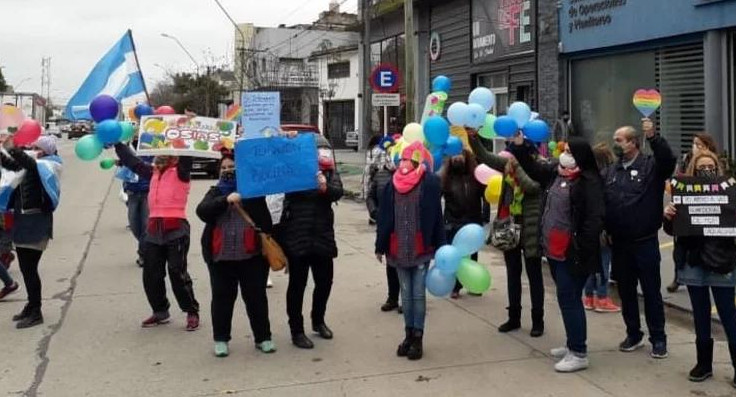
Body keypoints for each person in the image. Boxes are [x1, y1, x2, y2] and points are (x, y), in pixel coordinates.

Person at [510, 136, 604, 373]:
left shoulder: (589, 182)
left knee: (570, 298)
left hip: (573, 253)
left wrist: (580, 248)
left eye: (571, 151)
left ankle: (579, 352)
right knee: (565, 299)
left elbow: (593, 222)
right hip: (553, 249)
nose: (565, 154)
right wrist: (521, 146)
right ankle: (572, 342)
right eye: (565, 149)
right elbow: (531, 167)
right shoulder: (556, 173)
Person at [663, 150, 736, 387]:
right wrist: (669, 216)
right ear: (694, 169)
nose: (707, 170)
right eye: (702, 166)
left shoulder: (729, 193)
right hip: (693, 263)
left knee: (729, 317)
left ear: (718, 169)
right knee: (700, 316)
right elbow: (673, 231)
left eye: (711, 166)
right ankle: (703, 363)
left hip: (722, 261)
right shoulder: (683, 193)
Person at [604, 118, 676, 358]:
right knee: (626, 291)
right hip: (620, 243)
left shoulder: (650, 166)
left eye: (619, 140)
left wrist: (654, 137)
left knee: (651, 292)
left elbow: (668, 160)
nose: (616, 144)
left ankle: (659, 338)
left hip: (644, 242)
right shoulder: (613, 170)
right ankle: (633, 333)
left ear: (633, 143)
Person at [196, 151, 275, 357]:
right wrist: (225, 200)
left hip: (252, 258)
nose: (228, 170)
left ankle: (263, 338)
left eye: (231, 167)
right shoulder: (215, 192)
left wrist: (244, 198)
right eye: (223, 168)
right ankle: (221, 339)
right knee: (222, 300)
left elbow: (265, 222)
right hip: (221, 259)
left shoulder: (253, 191)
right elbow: (202, 211)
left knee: (256, 298)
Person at [115, 143, 200, 331]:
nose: (159, 158)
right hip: (154, 228)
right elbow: (132, 162)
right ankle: (160, 311)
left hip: (176, 227)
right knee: (151, 273)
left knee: (177, 272)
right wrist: (118, 143)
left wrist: (184, 133)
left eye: (165, 155)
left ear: (174, 158)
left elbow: (187, 158)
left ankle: (191, 311)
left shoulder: (181, 173)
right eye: (158, 155)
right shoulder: (152, 172)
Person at [468, 133, 545, 337]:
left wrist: (517, 168)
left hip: (530, 227)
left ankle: (538, 320)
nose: (510, 155)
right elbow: (485, 157)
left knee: (534, 275)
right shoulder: (507, 164)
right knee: (512, 273)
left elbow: (531, 187)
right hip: (509, 226)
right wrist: (473, 138)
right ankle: (514, 317)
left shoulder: (540, 166)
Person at [376, 141, 446, 361]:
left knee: (418, 294)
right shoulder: (391, 185)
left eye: (409, 160)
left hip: (420, 248)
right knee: (405, 296)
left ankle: (418, 337)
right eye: (402, 160)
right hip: (398, 249)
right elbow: (384, 218)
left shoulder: (430, 183)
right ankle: (407, 334)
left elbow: (437, 217)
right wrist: (380, 245)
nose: (404, 164)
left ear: (418, 162)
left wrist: (440, 246)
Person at [279, 135, 343, 349]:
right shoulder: (294, 170)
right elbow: (286, 189)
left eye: (323, 151)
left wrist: (325, 187)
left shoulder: (329, 171)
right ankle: (296, 330)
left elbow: (338, 192)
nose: (320, 154)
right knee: (297, 285)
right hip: (298, 235)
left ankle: (318, 320)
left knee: (325, 282)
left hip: (323, 235)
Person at [0, 136, 62, 329]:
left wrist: (11, 145)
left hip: (36, 223)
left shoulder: (47, 166)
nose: (32, 149)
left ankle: (36, 311)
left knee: (29, 269)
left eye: (36, 147)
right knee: (27, 268)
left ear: (46, 151)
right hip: (23, 221)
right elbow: (13, 165)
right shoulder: (30, 166)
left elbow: (27, 162)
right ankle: (31, 304)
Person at [667, 133, 719, 293]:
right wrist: (669, 215)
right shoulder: (685, 160)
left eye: (700, 144)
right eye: (694, 144)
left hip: (718, 246)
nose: (696, 147)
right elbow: (670, 228)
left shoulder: (720, 168)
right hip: (689, 234)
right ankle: (678, 276)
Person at [583, 143, 620, 313]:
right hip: (603, 229)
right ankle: (602, 298)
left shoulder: (587, 177)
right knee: (604, 264)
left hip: (588, 228)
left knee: (591, 264)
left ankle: (589, 296)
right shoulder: (608, 178)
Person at [366, 148, 400, 312]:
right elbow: (370, 196)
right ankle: (392, 297)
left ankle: (407, 299)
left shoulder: (411, 176)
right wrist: (374, 212)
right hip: (386, 226)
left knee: (406, 264)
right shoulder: (380, 175)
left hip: (405, 225)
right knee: (391, 264)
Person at [120, 135, 152, 267]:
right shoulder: (130, 151)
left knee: (145, 225)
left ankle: (143, 254)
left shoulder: (152, 152)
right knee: (134, 225)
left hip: (147, 193)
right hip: (132, 193)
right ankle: (148, 247)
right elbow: (127, 160)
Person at [363, 134, 384, 223]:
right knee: (376, 197)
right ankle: (376, 216)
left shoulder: (369, 150)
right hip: (377, 176)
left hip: (367, 175)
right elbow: (382, 165)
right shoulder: (381, 151)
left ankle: (371, 215)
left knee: (369, 196)